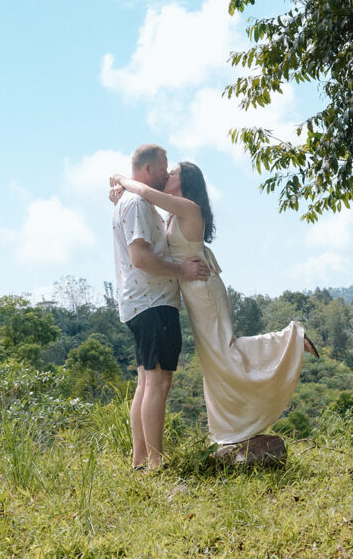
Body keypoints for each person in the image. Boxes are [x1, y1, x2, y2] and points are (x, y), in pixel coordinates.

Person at [111, 161, 319, 445]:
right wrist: (118, 194)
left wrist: (120, 179)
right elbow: (145, 208)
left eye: (173, 173)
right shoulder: (173, 211)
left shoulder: (187, 208)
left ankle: (291, 339)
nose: (168, 174)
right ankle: (230, 427)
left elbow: (145, 191)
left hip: (203, 290)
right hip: (195, 292)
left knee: (224, 352)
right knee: (215, 359)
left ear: (185, 182)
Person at [112, 144, 211, 470]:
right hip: (152, 302)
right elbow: (141, 257)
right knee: (158, 382)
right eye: (164, 168)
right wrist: (181, 270)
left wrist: (119, 182)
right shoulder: (138, 203)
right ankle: (155, 461)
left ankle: (140, 459)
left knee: (146, 381)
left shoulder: (138, 202)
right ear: (148, 170)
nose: (168, 173)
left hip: (143, 302)